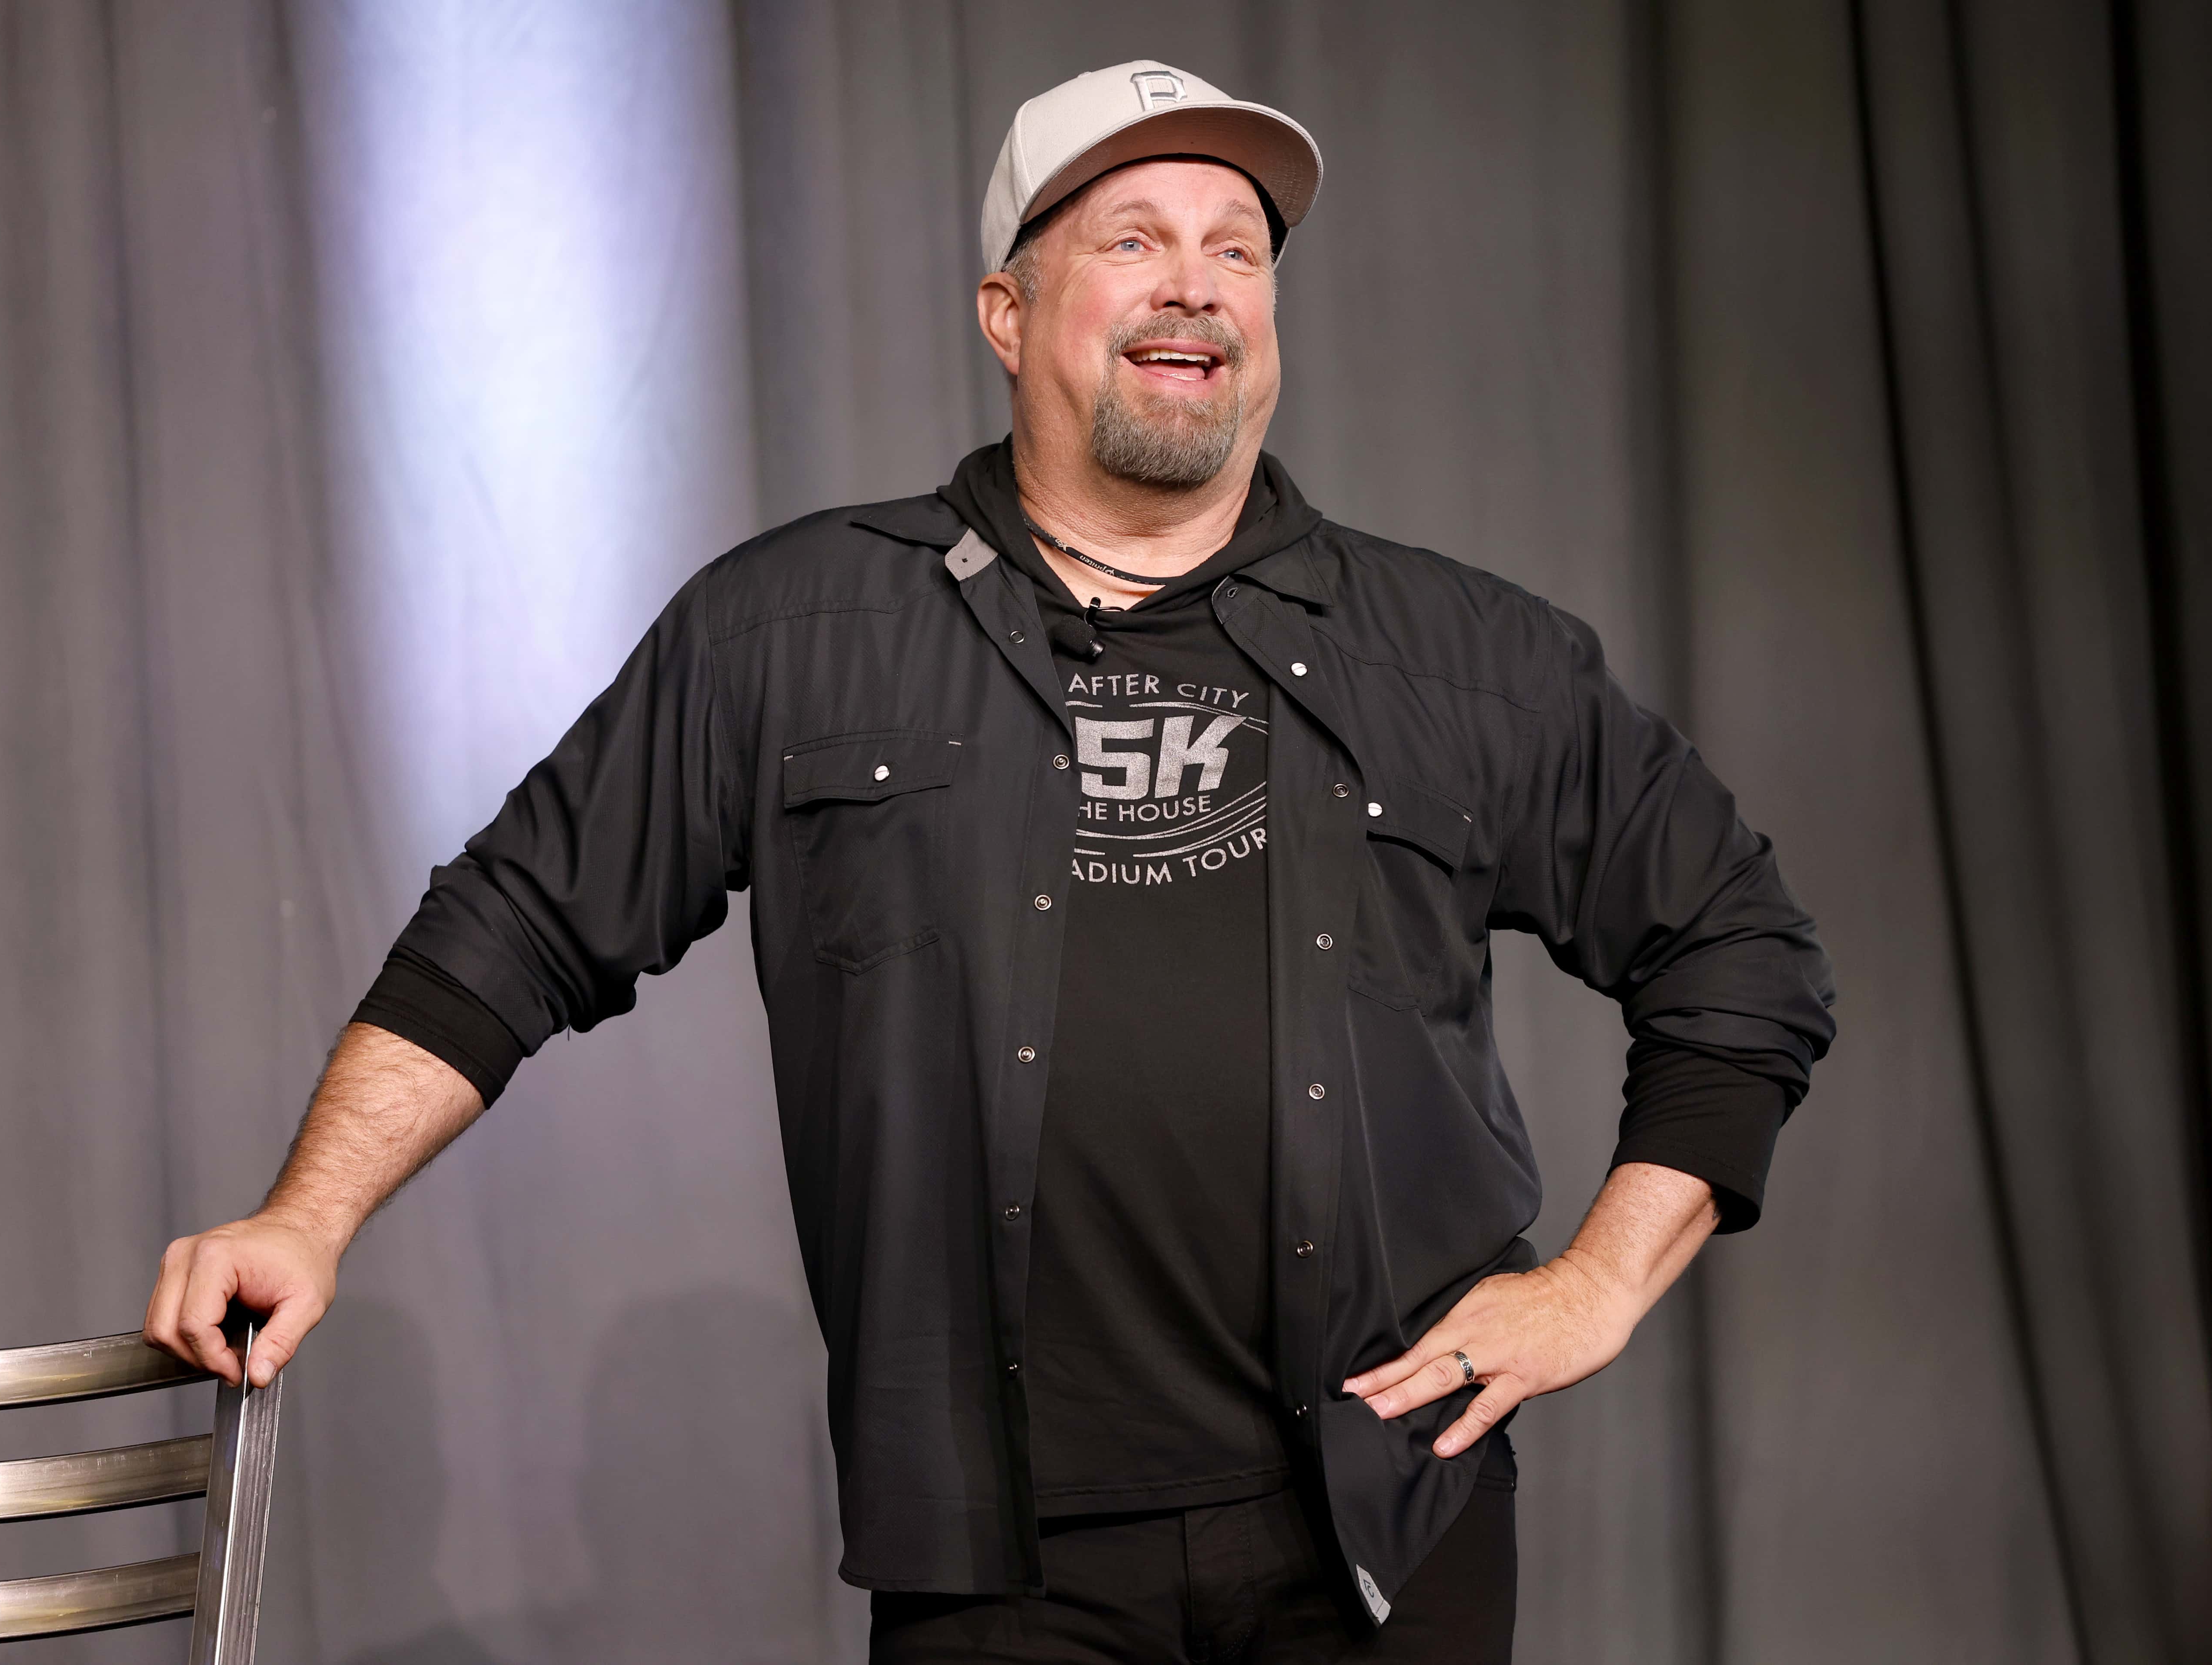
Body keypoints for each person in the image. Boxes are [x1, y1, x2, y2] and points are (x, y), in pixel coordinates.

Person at [144, 60, 1835, 1663]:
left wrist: (1604, 1279)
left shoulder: (1464, 655)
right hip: (1002, 1553)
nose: (1197, 285)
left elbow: (1739, 948)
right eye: (1134, 240)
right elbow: (513, 924)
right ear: (1008, 314)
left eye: (1236, 251)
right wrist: (309, 1213)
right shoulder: (797, 631)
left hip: (1390, 1517)